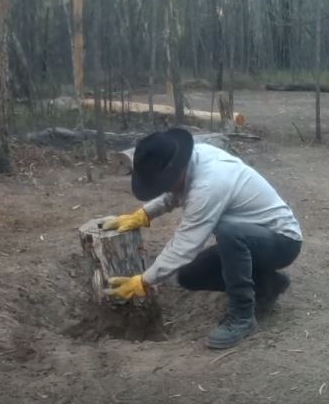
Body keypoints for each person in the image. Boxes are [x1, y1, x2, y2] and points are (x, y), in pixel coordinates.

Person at [103, 128, 302, 349]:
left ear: (176, 170)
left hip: (282, 242)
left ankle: (243, 316)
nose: (163, 188)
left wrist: (144, 280)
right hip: (248, 240)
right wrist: (143, 215)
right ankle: (268, 284)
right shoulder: (195, 158)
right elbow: (175, 193)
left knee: (229, 233)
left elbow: (185, 244)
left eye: (164, 183)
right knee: (189, 276)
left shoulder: (210, 183)